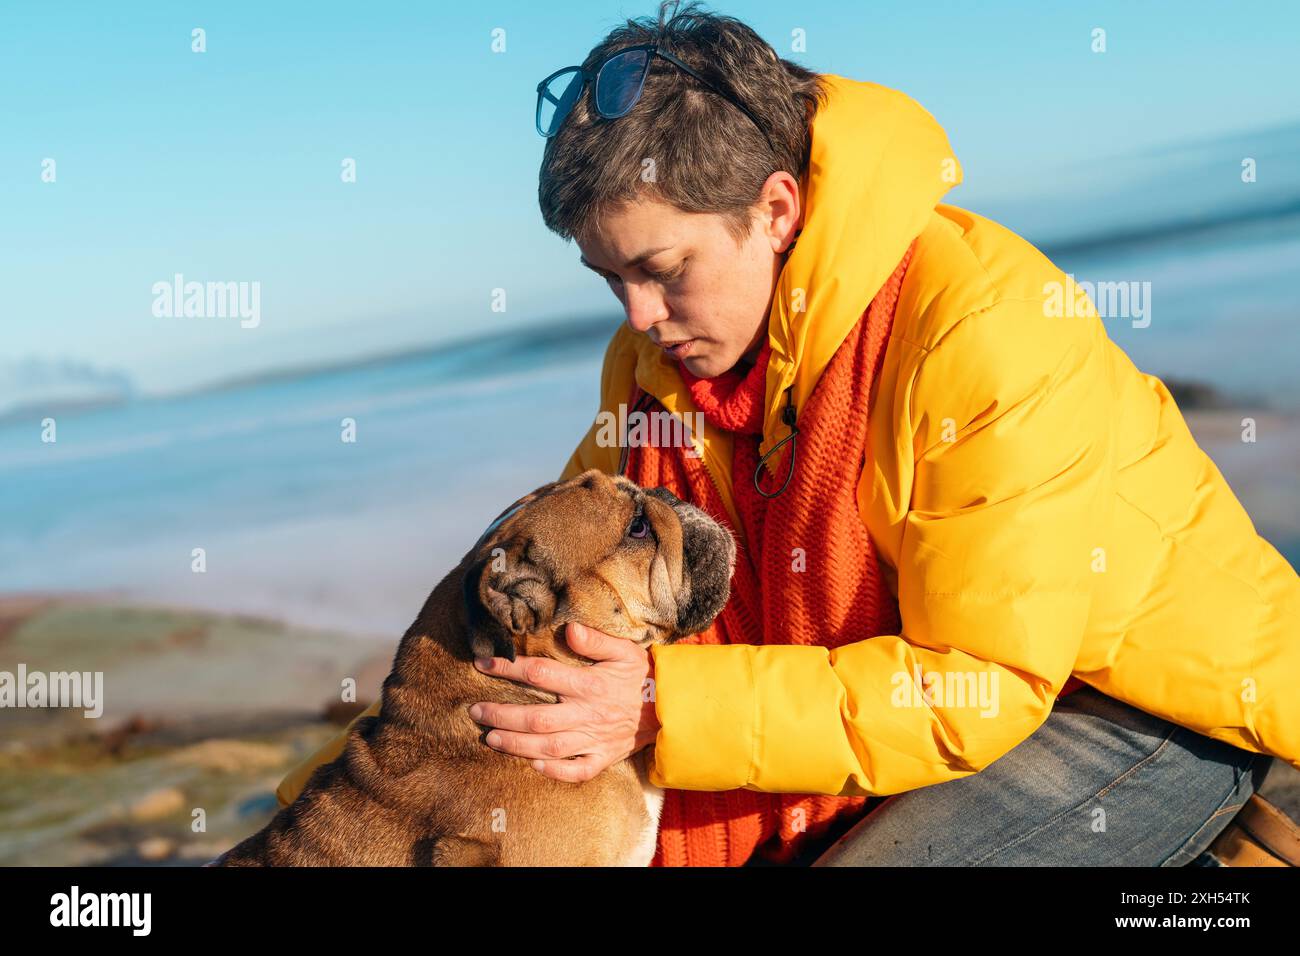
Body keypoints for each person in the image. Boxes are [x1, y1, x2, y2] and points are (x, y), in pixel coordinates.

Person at [274, 1, 1300, 866]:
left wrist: (661, 707)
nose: (637, 315)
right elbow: (577, 600)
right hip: (927, 709)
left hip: (1134, 711)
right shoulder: (656, 366)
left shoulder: (986, 329)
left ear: (774, 208)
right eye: (610, 279)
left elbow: (975, 684)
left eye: (663, 269)